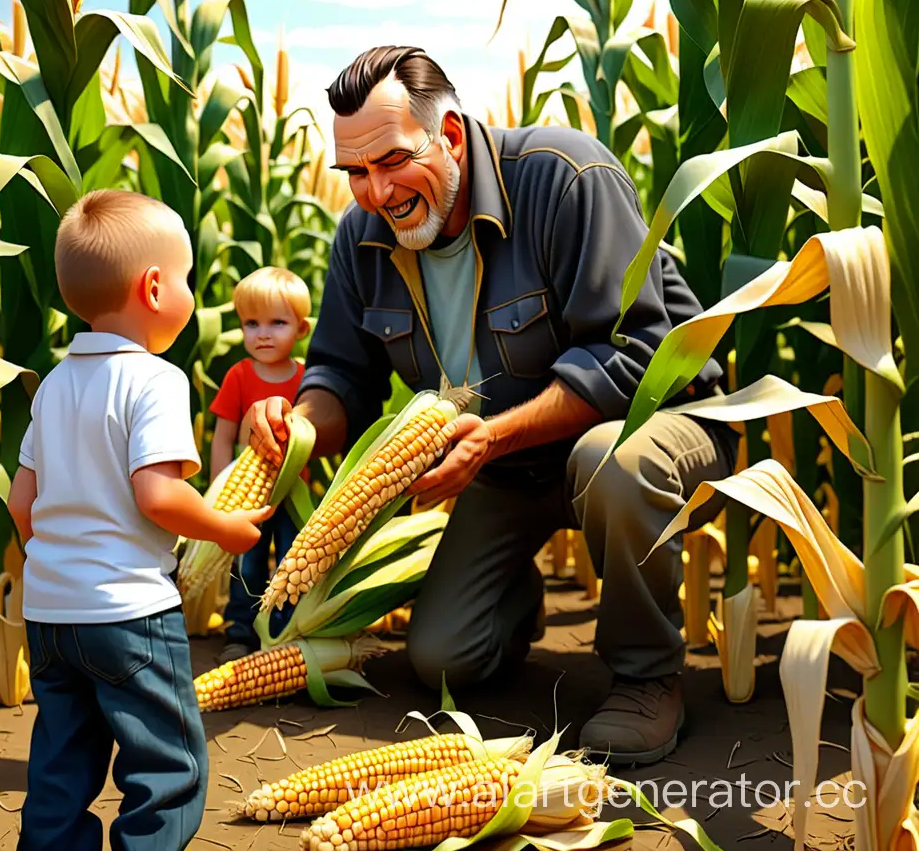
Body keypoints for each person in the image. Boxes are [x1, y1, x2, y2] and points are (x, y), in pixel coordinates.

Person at [243, 45, 739, 768]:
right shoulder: (361, 238)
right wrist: (297, 426)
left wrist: (492, 438)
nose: (375, 192)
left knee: (610, 460)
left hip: (652, 431)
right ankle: (512, 592)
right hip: (513, 466)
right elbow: (340, 375)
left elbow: (635, 357)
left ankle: (646, 679)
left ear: (447, 136)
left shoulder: (567, 177)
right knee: (445, 661)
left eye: (391, 162)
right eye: (354, 172)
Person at [7, 189, 275, 849]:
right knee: (165, 768)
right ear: (154, 288)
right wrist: (226, 528)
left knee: (60, 764)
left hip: (51, 616)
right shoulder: (154, 380)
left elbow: (21, 502)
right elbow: (158, 497)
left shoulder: (53, 385)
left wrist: (60, 568)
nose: (190, 292)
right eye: (186, 279)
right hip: (129, 615)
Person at [208, 266, 312, 664]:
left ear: (300, 330)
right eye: (251, 323)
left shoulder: (307, 378)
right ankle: (239, 630)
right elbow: (223, 434)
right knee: (247, 563)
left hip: (292, 492)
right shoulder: (239, 375)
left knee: (290, 563)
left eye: (277, 323)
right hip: (247, 494)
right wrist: (219, 487)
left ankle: (282, 631)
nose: (263, 333)